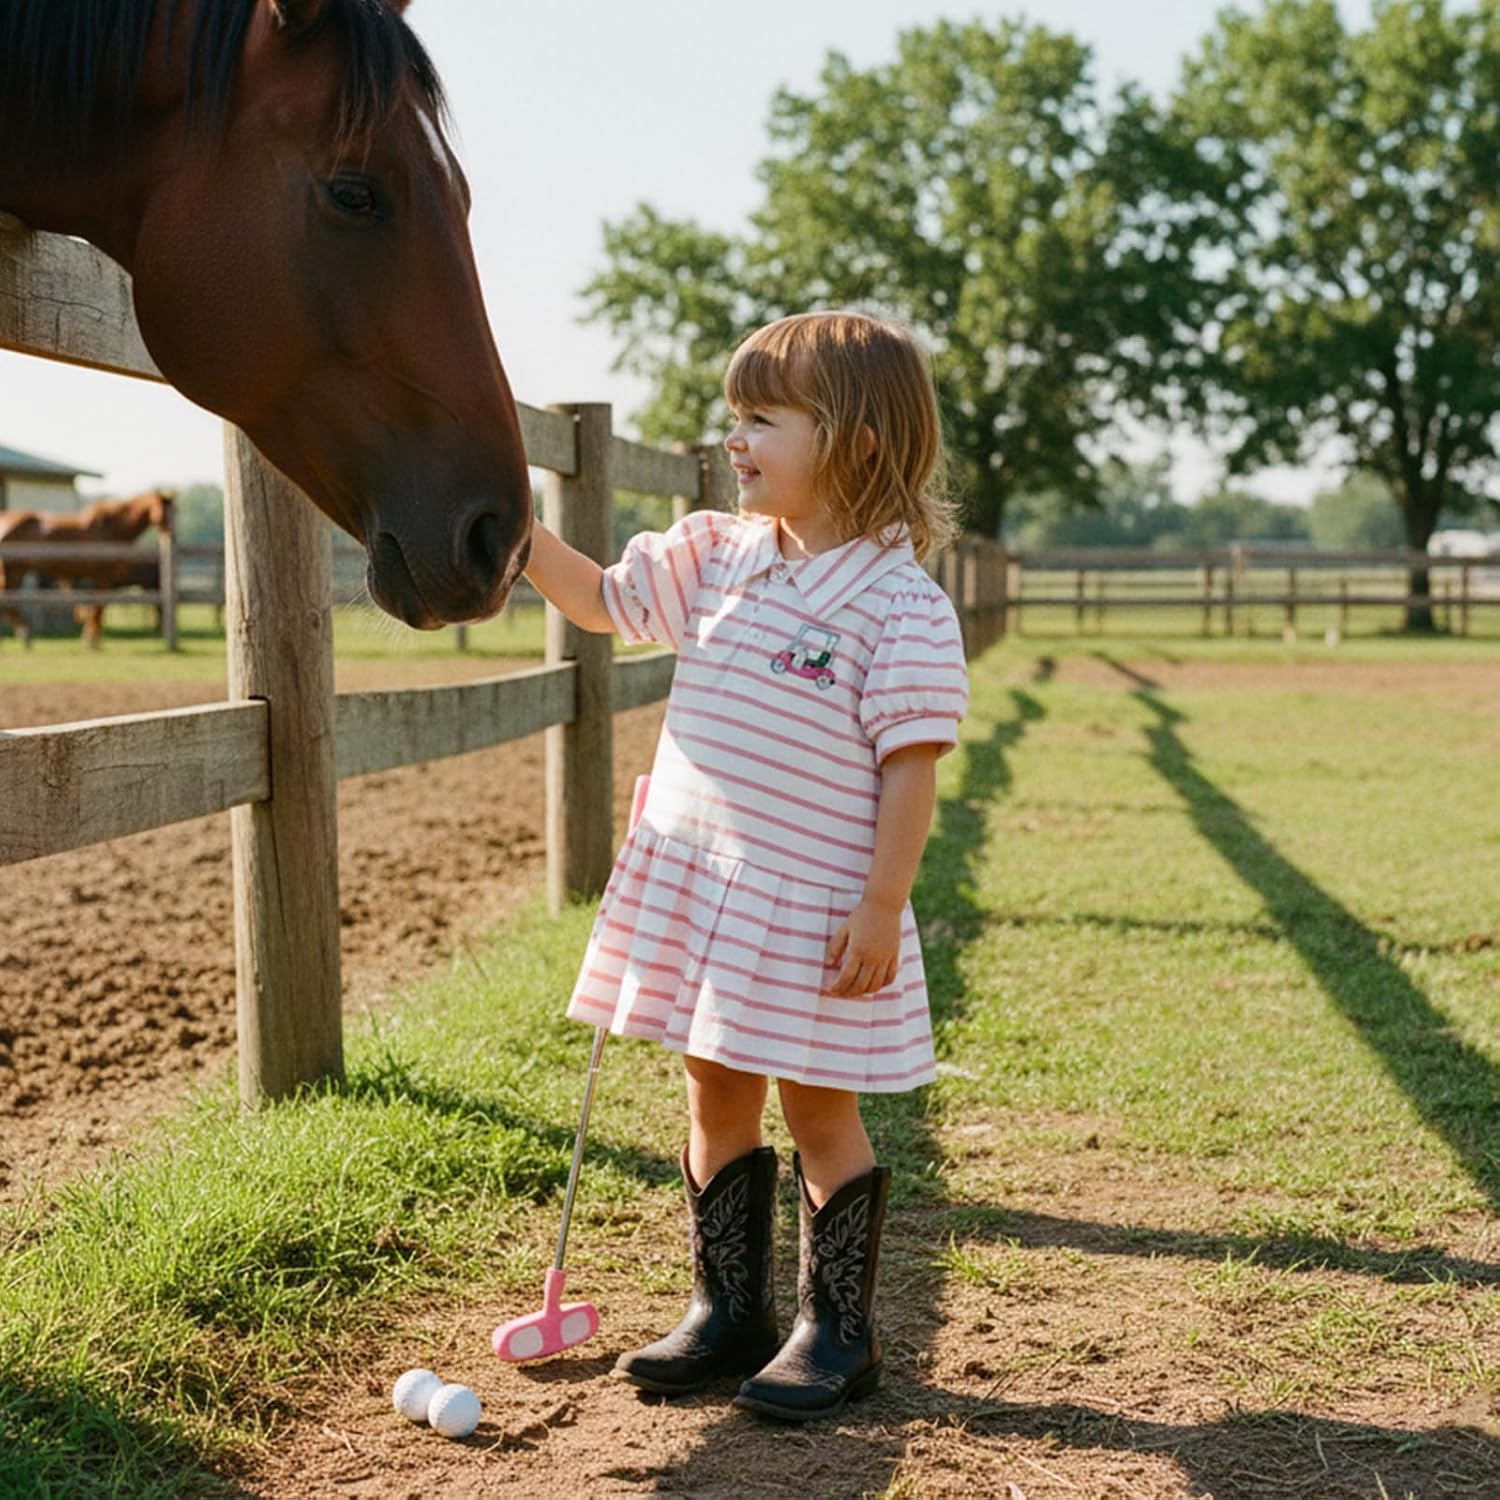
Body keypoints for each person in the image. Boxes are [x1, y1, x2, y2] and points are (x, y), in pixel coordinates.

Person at [522, 310, 968, 1421]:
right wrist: (517, 534)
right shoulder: (715, 554)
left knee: (819, 1108)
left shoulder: (899, 605)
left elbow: (910, 769)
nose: (735, 439)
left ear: (857, 441)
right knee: (712, 1086)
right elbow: (600, 600)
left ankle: (836, 1331)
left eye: (764, 418)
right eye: (736, 415)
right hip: (709, 893)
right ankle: (728, 1309)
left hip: (815, 909)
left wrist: (882, 904)